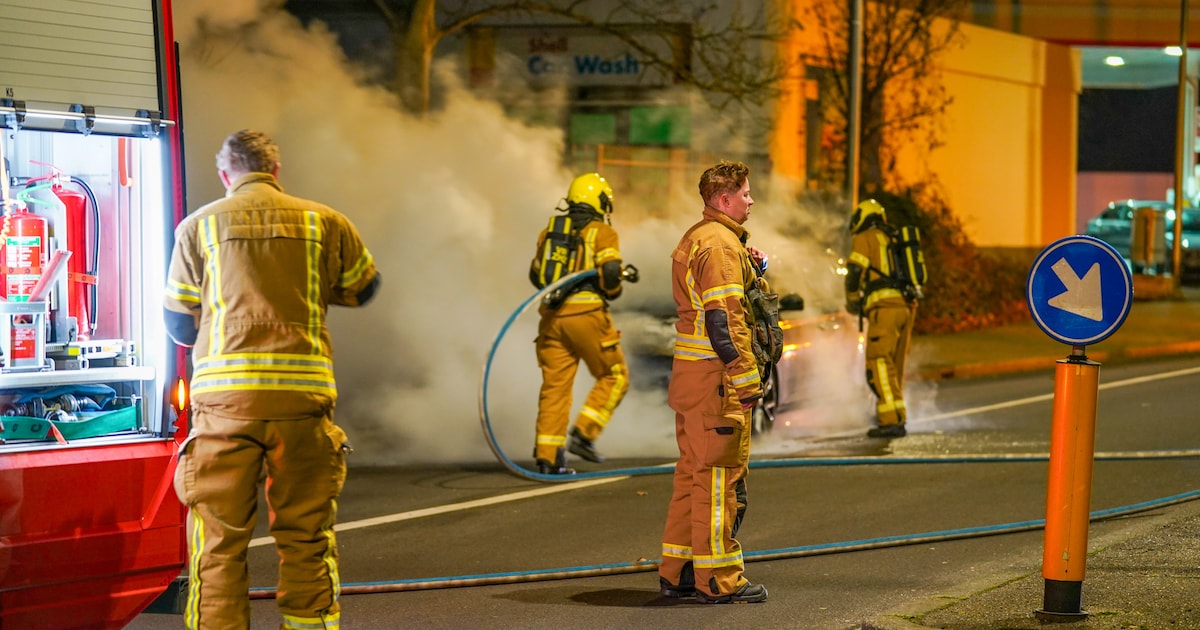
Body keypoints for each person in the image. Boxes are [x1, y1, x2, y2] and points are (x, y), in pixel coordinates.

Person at [163, 129, 380, 629]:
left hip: (223, 408)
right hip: (300, 405)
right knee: (306, 536)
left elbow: (178, 321)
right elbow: (363, 288)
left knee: (217, 544)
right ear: (275, 171)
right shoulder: (324, 220)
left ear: (225, 175)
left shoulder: (197, 227)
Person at [657, 160, 769, 604]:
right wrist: (747, 382)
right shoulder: (721, 247)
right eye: (745, 193)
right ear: (723, 199)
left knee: (691, 477)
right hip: (716, 382)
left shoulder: (700, 237)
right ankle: (720, 580)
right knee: (720, 483)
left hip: (692, 379)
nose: (751, 200)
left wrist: (753, 266)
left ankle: (679, 570)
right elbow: (724, 323)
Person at [528, 172, 633, 474]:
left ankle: (548, 458)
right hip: (585, 316)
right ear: (598, 201)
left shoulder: (549, 233)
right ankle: (584, 433)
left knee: (555, 388)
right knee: (614, 376)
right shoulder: (602, 232)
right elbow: (611, 272)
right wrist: (612, 289)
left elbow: (537, 276)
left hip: (551, 320)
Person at [844, 198, 916, 438]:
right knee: (894, 365)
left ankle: (890, 420)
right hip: (905, 307)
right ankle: (897, 414)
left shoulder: (866, 237)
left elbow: (854, 271)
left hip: (884, 308)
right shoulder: (892, 238)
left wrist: (853, 299)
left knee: (878, 361)